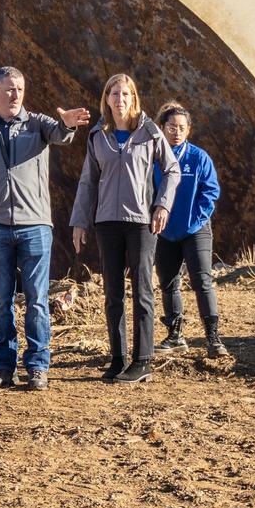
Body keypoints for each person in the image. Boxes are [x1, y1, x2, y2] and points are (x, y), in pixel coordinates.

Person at [0, 66, 91, 391]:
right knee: (1, 300)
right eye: (9, 88)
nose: (15, 94)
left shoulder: (38, 124)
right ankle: (4, 366)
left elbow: (60, 134)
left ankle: (38, 366)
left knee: (36, 299)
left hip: (35, 226)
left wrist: (67, 123)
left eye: (19, 88)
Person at [70, 74, 180, 382]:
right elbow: (88, 181)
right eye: (114, 94)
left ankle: (142, 359)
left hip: (141, 222)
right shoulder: (97, 136)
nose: (120, 100)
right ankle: (118, 358)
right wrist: (80, 221)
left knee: (143, 290)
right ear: (106, 99)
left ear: (134, 99)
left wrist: (162, 205)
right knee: (112, 292)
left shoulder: (149, 131)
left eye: (125, 94)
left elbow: (172, 169)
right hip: (107, 222)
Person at [153, 102, 227, 358]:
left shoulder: (198, 157)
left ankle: (213, 338)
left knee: (202, 282)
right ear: (162, 128)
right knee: (168, 284)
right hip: (163, 231)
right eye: (171, 127)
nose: (176, 132)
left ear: (188, 131)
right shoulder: (153, 157)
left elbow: (211, 191)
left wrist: (196, 219)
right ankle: (175, 336)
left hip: (196, 229)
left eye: (181, 128)